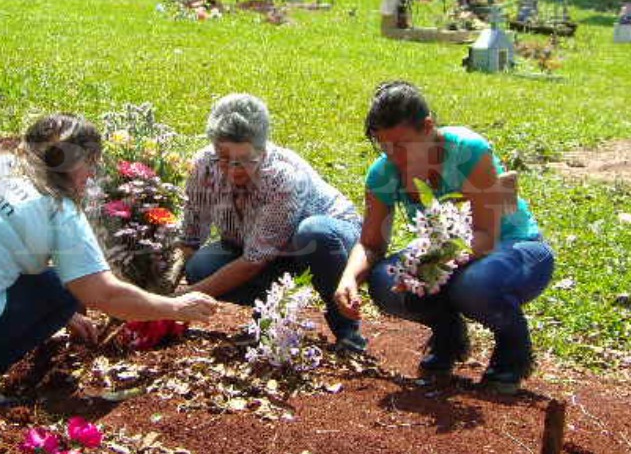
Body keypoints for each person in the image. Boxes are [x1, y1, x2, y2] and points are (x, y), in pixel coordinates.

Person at [0, 113, 219, 407]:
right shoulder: (58, 207)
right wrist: (175, 307)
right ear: (82, 165)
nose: (91, 177)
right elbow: (103, 295)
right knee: (60, 288)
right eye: (90, 167)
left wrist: (57, 316)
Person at [334, 82, 554, 393]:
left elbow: (484, 237)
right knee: (385, 282)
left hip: (511, 248)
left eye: (402, 145)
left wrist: (430, 267)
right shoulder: (383, 174)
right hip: (445, 252)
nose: (394, 156)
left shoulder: (468, 151)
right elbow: (371, 243)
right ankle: (448, 335)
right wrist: (349, 279)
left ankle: (512, 350)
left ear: (427, 127)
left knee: (474, 284)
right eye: (385, 147)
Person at [178, 94, 366, 352]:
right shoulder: (203, 165)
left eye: (245, 160)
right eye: (224, 158)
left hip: (326, 241)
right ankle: (271, 311)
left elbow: (253, 261)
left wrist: (183, 301)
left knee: (313, 234)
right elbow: (190, 237)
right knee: (200, 267)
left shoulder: (283, 176)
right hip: (262, 249)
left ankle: (347, 330)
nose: (234, 170)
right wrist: (159, 298)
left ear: (262, 148)